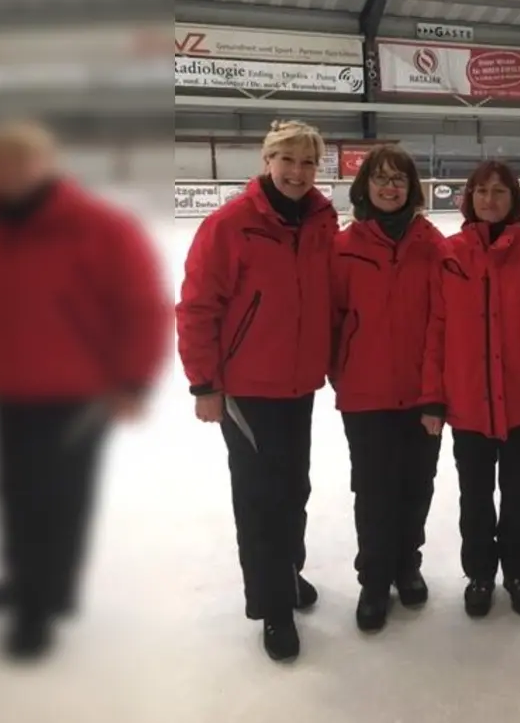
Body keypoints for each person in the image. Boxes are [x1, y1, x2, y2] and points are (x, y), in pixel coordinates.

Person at [0, 119, 169, 662]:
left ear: (47, 163)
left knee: (57, 499)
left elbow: (142, 307)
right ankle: (23, 577)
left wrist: (134, 381)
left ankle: (40, 603)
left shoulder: (100, 227)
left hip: (77, 391)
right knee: (13, 491)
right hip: (6, 385)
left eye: (20, 160)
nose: (7, 172)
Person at [177, 120, 338, 663]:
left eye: (308, 162)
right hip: (246, 389)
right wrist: (204, 383)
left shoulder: (319, 222)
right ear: (267, 161)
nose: (297, 172)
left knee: (294, 488)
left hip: (299, 384)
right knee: (260, 499)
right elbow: (197, 307)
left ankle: (287, 572)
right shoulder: (231, 225)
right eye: (287, 159)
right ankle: (272, 607)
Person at [420, 160, 520, 620]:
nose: (489, 200)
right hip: (467, 406)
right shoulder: (450, 252)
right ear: (469, 198)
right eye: (481, 191)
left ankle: (519, 573)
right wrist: (433, 397)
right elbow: (437, 329)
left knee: (519, 495)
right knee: (475, 496)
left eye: (499, 191)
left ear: (514, 198)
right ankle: (479, 574)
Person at [329, 146, 446, 634]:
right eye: (380, 179)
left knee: (417, 485)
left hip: (423, 393)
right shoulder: (343, 246)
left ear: (412, 188)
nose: (390, 187)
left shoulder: (434, 245)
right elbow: (332, 318)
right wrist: (344, 372)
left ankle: (406, 564)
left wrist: (437, 390)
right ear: (365, 188)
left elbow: (444, 322)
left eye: (399, 179)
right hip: (366, 393)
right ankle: (375, 579)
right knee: (374, 490)